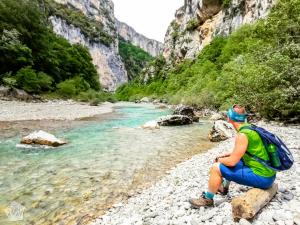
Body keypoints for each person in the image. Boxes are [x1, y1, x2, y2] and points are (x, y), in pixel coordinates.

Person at [189, 104, 276, 208]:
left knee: (216, 167)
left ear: (229, 118)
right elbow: (247, 152)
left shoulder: (242, 135)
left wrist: (218, 159)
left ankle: (208, 199)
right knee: (227, 160)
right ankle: (223, 188)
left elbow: (232, 162)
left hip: (263, 179)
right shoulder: (251, 129)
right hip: (269, 174)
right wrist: (227, 155)